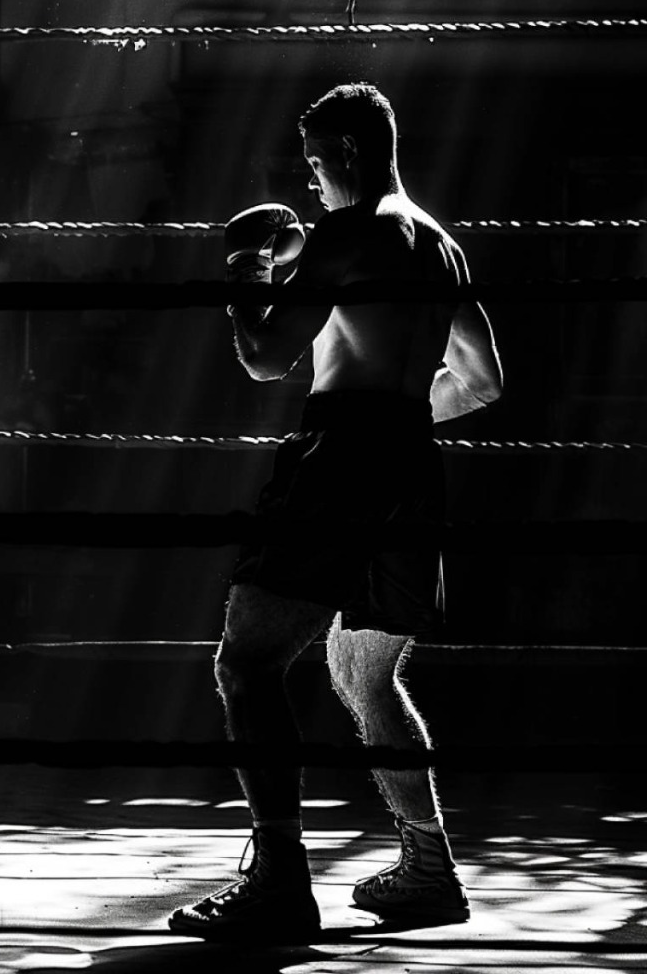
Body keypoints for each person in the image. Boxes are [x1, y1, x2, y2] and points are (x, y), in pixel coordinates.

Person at [168, 83, 503, 942]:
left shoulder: (347, 236)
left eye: (316, 162)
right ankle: (431, 870)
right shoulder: (441, 247)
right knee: (364, 676)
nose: (310, 181)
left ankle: (280, 881)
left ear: (348, 153)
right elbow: (482, 381)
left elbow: (265, 357)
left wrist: (245, 277)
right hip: (411, 467)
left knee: (246, 666)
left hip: (338, 462)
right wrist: (394, 424)